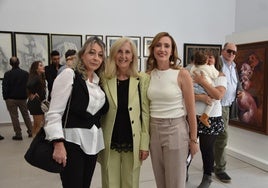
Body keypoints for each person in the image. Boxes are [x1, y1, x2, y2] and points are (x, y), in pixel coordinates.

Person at [44, 36, 109, 188]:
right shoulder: (69, 75)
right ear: (82, 55)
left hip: (93, 142)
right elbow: (54, 112)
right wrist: (58, 144)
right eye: (91, 53)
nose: (96, 58)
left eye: (100, 55)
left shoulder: (99, 81)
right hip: (72, 142)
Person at [146, 32, 199, 188]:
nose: (162, 49)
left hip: (175, 129)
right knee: (160, 181)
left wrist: (193, 139)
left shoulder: (182, 74)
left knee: (175, 182)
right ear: (153, 49)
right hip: (154, 130)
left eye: (166, 46)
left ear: (172, 50)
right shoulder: (147, 75)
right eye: (158, 45)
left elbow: (191, 110)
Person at [98, 37, 150, 188]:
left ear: (133, 56)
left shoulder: (142, 79)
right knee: (110, 183)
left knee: (131, 183)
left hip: (133, 142)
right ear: (114, 54)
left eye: (128, 52)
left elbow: (145, 114)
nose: (123, 56)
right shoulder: (104, 79)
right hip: (110, 142)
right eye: (119, 51)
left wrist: (144, 144)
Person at [192, 50, 227, 188]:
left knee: (206, 148)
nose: (209, 59)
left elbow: (218, 95)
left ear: (216, 60)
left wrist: (201, 81)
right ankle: (184, 172)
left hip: (211, 118)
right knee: (187, 147)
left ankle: (207, 176)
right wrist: (201, 97)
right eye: (207, 57)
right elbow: (185, 93)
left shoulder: (220, 76)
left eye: (211, 57)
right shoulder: (194, 70)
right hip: (192, 115)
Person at [214, 42, 243, 183]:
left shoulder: (233, 66)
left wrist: (240, 90)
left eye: (234, 52)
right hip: (217, 105)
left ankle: (212, 165)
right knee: (222, 137)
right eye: (229, 51)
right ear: (223, 50)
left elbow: (236, 82)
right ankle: (220, 169)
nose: (232, 54)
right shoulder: (216, 63)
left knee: (218, 137)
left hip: (228, 105)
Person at [2, 56, 33, 140]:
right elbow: (28, 86)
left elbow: (4, 87)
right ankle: (31, 131)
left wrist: (5, 97)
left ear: (10, 64)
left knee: (14, 117)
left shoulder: (7, 74)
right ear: (19, 63)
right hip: (22, 98)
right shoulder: (25, 73)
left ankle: (18, 134)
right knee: (26, 115)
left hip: (10, 99)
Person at [190, 51, 219, 127]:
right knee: (213, 99)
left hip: (194, 87)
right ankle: (205, 117)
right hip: (203, 88)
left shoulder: (193, 67)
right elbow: (215, 75)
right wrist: (212, 66)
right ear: (206, 61)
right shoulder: (207, 68)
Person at [26, 60, 46, 136]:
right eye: (40, 65)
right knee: (39, 125)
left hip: (36, 103)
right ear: (36, 68)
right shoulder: (36, 77)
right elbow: (29, 85)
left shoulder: (39, 77)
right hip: (36, 104)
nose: (43, 66)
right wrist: (33, 93)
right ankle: (36, 144)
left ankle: (34, 141)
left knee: (36, 124)